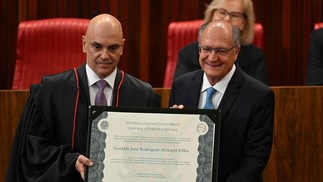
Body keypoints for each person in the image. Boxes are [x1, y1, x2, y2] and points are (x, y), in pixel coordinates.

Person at [6, 14, 160, 181]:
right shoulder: (50, 92)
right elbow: (33, 153)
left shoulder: (143, 96)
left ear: (122, 47)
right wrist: (71, 162)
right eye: (97, 46)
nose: (104, 56)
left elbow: (152, 156)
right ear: (84, 44)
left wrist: (177, 125)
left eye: (113, 48)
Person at [169, 20, 274, 182]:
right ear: (199, 48)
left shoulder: (259, 96)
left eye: (221, 51)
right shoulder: (181, 86)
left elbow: (255, 158)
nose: (212, 57)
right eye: (207, 49)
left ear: (236, 52)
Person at [174, 0, 268, 84]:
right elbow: (181, 90)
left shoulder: (255, 57)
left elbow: (257, 96)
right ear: (211, 15)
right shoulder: (187, 53)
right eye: (222, 12)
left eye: (235, 15)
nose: (227, 18)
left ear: (245, 22)